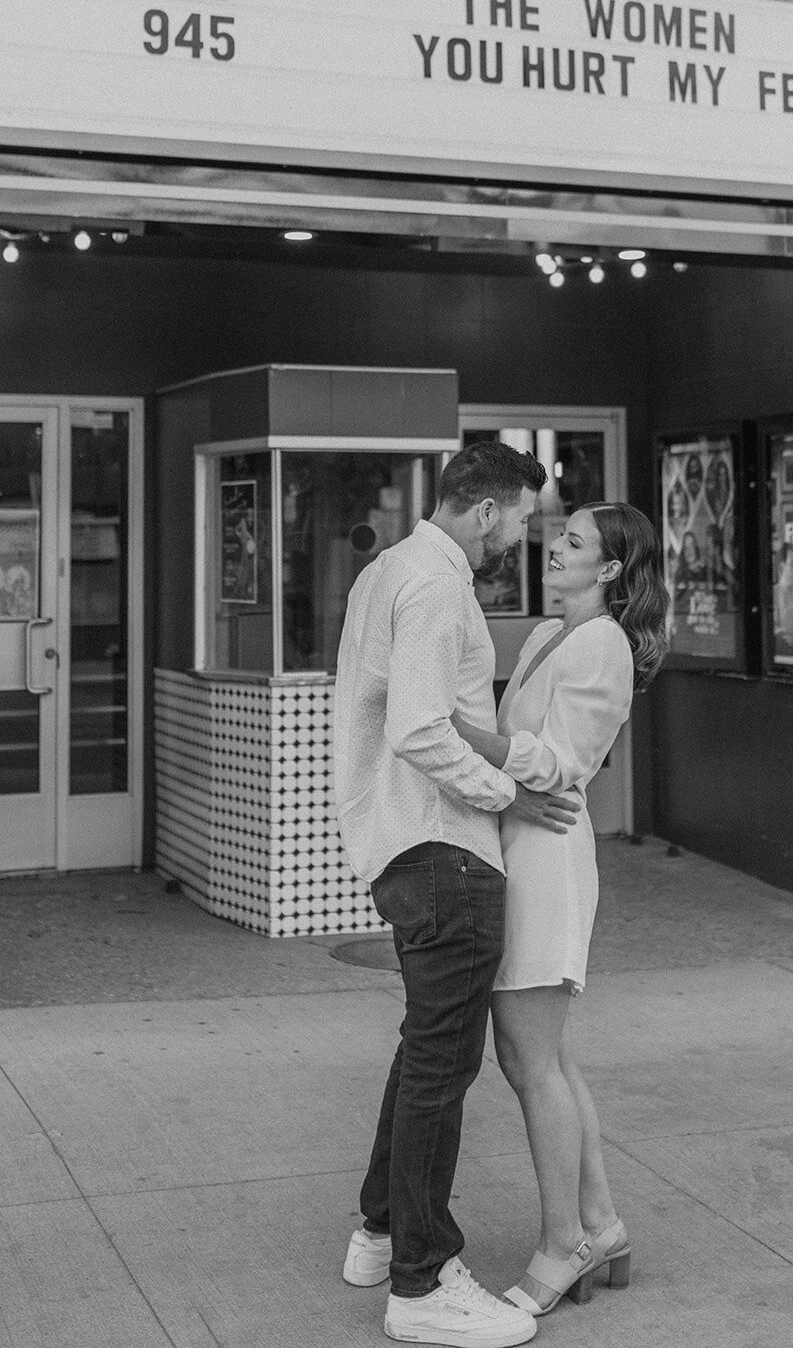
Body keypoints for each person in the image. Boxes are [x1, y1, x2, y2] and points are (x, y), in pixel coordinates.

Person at [335, 442, 580, 1348]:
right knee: (442, 1067)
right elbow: (419, 729)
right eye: (519, 519)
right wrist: (508, 796)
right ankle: (423, 1283)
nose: (519, 537)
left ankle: (379, 1230)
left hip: (401, 846)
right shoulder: (437, 586)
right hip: (444, 850)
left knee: (422, 1054)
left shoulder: (386, 572)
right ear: (486, 509)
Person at [451, 504, 669, 1316]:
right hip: (519, 842)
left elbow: (563, 761)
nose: (555, 549)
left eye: (574, 543)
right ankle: (601, 1224)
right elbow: (530, 756)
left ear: (610, 571)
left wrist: (456, 737)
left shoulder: (603, 642)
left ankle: (563, 1243)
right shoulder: (548, 632)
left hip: (547, 857)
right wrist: (498, 766)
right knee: (539, 1056)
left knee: (530, 1060)